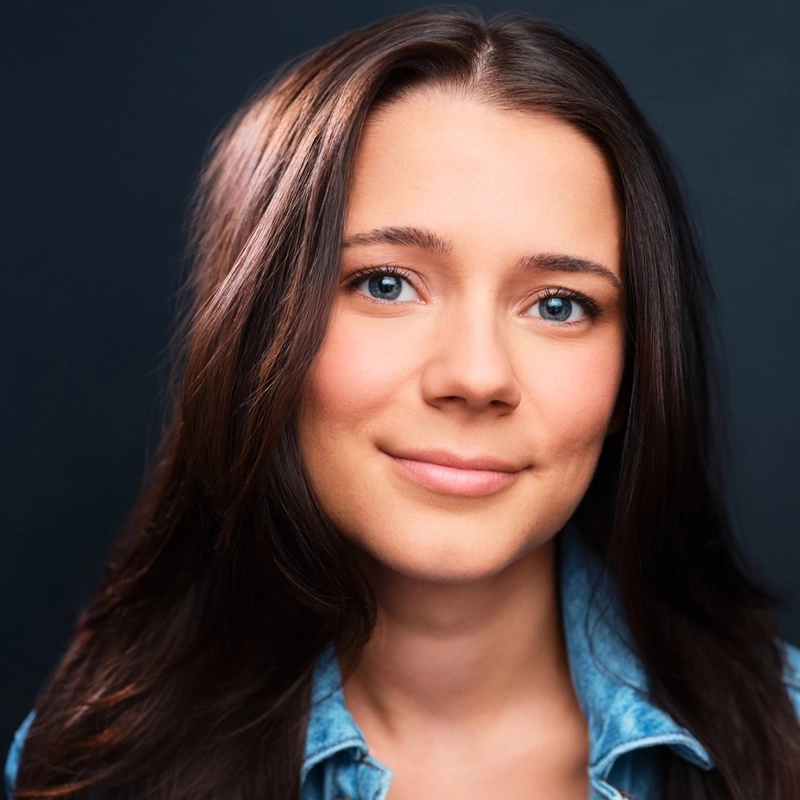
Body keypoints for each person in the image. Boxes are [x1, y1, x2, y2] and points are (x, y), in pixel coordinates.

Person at [6, 7, 800, 800]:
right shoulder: (95, 767)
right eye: (386, 284)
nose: (477, 376)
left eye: (559, 304)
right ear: (257, 332)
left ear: (635, 372)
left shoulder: (784, 739)